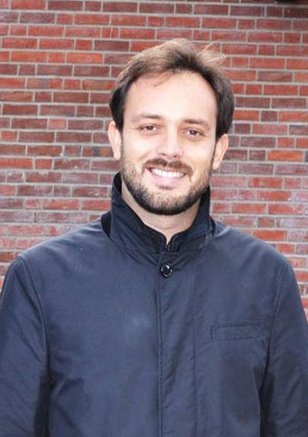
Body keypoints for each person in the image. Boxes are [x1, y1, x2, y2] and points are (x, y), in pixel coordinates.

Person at [0, 39, 307, 437]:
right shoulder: (39, 281)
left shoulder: (268, 280)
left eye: (193, 131)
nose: (170, 150)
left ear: (218, 150)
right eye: (150, 127)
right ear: (116, 137)